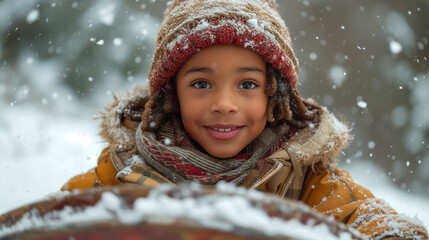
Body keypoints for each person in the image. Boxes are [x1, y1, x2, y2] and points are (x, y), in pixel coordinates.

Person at [61, 0, 428, 239]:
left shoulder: (303, 176)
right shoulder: (124, 172)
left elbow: (359, 214)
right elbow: (59, 219)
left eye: (247, 84)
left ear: (274, 96)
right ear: (172, 96)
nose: (224, 104)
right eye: (201, 83)